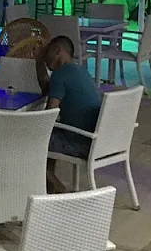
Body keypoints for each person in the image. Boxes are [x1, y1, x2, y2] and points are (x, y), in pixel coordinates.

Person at [36, 35, 102, 193]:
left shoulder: (60, 75)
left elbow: (49, 116)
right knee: (48, 135)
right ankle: (48, 184)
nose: (45, 57)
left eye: (47, 52)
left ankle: (58, 188)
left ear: (57, 50)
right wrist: (38, 61)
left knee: (27, 140)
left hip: (79, 143)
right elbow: (47, 89)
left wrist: (31, 127)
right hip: (97, 140)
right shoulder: (81, 70)